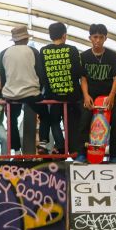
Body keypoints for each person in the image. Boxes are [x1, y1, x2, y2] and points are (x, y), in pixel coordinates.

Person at [0, 26, 49, 155]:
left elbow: (3, 77)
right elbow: (41, 74)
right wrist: (39, 89)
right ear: (26, 38)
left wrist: (5, 95)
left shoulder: (4, 53)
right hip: (31, 93)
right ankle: (43, 143)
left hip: (11, 94)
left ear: (14, 40)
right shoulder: (33, 51)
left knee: (12, 120)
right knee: (45, 115)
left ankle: (16, 150)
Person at [79, 23, 116, 164]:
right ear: (90, 38)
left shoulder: (112, 55)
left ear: (105, 38)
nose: (97, 40)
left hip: (109, 93)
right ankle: (82, 154)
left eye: (101, 37)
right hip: (91, 94)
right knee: (85, 121)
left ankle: (115, 155)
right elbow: (83, 78)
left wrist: (112, 96)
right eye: (95, 37)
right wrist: (86, 95)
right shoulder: (84, 56)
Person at [39, 22, 84, 155]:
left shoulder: (44, 51)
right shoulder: (72, 50)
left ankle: (60, 146)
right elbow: (78, 72)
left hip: (53, 95)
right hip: (72, 96)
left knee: (54, 122)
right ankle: (76, 150)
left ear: (50, 35)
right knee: (73, 123)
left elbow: (43, 74)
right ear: (64, 35)